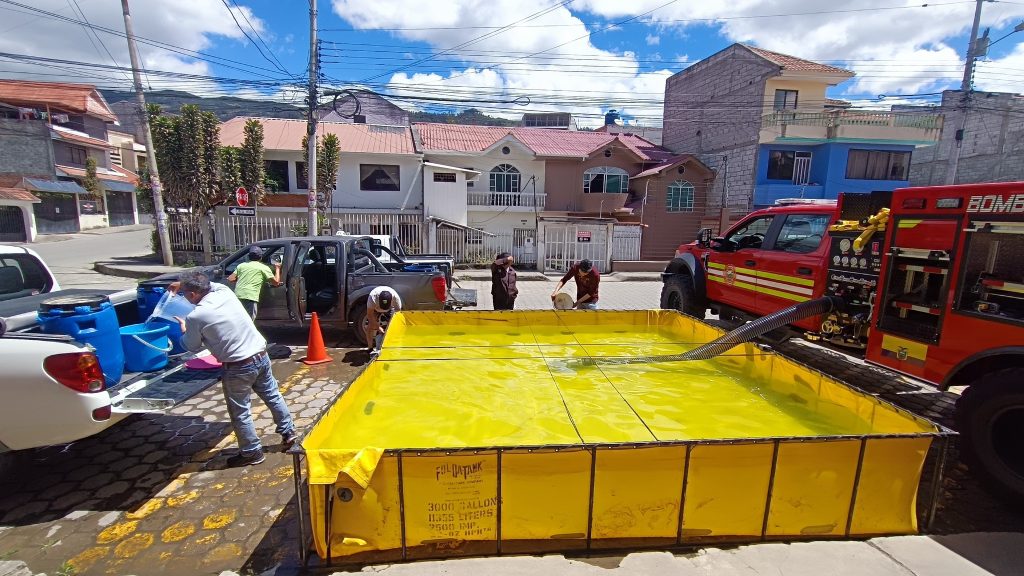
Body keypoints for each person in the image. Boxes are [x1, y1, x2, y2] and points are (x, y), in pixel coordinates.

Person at [171, 270, 296, 467]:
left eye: (185, 294)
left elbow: (191, 346)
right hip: (261, 355)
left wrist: (185, 330)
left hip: (238, 366)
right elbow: (211, 284)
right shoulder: (224, 292)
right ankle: (289, 434)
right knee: (273, 395)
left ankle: (251, 452)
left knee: (240, 411)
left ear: (192, 294)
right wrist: (183, 284)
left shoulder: (196, 316)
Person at [228, 245, 282, 320]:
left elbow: (231, 279)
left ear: (249, 256)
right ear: (261, 257)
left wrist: (243, 278)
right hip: (250, 297)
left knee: (239, 319)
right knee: (249, 320)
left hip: (238, 296)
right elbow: (276, 283)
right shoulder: (263, 268)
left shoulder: (241, 266)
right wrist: (277, 268)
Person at [364, 285, 403, 353]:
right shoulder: (372, 297)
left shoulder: (396, 299)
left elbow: (397, 316)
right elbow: (370, 315)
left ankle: (391, 346)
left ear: (391, 300)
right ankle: (370, 348)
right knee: (370, 326)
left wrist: (390, 326)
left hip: (390, 309)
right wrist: (378, 327)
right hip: (375, 309)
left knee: (393, 326)